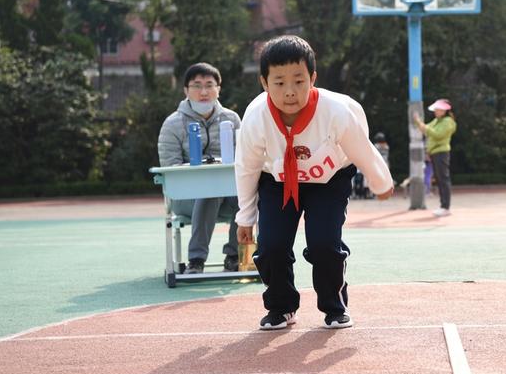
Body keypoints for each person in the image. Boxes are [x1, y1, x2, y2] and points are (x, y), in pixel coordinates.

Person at [234, 35, 394, 331]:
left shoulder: (335, 111)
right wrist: (245, 216)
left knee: (323, 244)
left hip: (329, 181)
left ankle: (334, 306)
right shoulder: (256, 117)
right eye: (279, 83)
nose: (290, 92)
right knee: (271, 247)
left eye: (299, 81)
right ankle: (281, 308)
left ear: (313, 79)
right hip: (278, 182)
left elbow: (361, 147)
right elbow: (247, 166)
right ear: (264, 83)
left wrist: (380, 181)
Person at [158, 62, 242, 274]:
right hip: (186, 199)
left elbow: (243, 160)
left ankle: (235, 255)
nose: (203, 91)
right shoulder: (173, 124)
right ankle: (196, 259)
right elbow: (170, 166)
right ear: (186, 90)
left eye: (209, 84)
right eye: (196, 85)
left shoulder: (231, 119)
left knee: (250, 196)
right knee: (209, 192)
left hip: (228, 197)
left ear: (218, 89)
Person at [413, 99, 457, 217]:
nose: (436, 111)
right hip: (435, 153)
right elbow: (426, 129)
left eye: (438, 109)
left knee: (443, 179)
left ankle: (445, 206)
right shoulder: (437, 120)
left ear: (444, 110)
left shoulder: (448, 121)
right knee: (440, 179)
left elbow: (437, 134)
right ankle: (443, 206)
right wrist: (418, 122)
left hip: (441, 152)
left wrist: (421, 124)